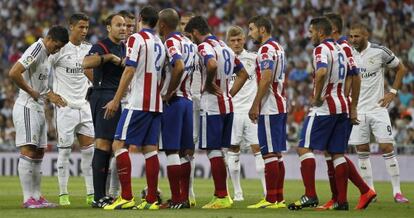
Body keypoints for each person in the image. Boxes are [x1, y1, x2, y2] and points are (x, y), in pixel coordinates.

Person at [102, 6, 166, 210]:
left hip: (138, 102)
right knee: (150, 149)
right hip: (155, 103)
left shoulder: (136, 39)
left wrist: (116, 99)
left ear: (140, 19)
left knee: (118, 145)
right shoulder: (160, 43)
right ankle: (152, 200)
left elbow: (129, 69)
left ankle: (127, 196)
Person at [185, 16, 249, 209]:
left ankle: (221, 195)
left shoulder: (204, 46)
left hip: (212, 106)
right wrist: (229, 93)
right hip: (227, 104)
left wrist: (209, 84)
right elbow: (243, 74)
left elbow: (211, 65)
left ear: (196, 32)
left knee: (213, 151)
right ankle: (224, 194)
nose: (192, 40)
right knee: (220, 151)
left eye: (191, 35)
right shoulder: (225, 47)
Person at [315, 13, 376, 210]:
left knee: (335, 152)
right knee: (331, 152)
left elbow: (355, 76)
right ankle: (340, 197)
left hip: (338, 105)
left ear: (331, 29)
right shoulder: (340, 47)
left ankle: (353, 193)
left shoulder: (342, 47)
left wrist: (353, 105)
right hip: (338, 104)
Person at [288, 17, 351, 210]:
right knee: (337, 154)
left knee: (303, 148)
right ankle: (341, 201)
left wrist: (316, 96)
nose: (309, 35)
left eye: (311, 31)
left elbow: (322, 72)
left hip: (324, 108)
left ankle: (310, 195)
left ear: (321, 33)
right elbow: (352, 76)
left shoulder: (321, 49)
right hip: (342, 107)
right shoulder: (341, 50)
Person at [349, 22, 409, 203]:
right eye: (351, 36)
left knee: (387, 147)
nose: (353, 40)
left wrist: (392, 92)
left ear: (366, 35)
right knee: (362, 149)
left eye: (357, 36)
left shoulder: (380, 51)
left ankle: (397, 192)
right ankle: (370, 191)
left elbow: (401, 68)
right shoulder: (348, 54)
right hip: (357, 110)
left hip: (378, 108)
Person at [9, 25, 69, 208]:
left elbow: (41, 87)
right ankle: (28, 198)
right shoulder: (37, 48)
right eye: (56, 46)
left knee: (39, 152)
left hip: (38, 107)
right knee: (28, 149)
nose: (57, 50)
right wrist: (31, 91)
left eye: (60, 48)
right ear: (49, 39)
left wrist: (52, 96)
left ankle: (37, 196)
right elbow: (14, 72)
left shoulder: (48, 56)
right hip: (26, 105)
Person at [49, 13, 95, 206]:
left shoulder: (90, 50)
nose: (84, 31)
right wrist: (49, 94)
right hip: (65, 108)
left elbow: (94, 76)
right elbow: (41, 71)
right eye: (81, 27)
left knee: (89, 153)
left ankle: (91, 194)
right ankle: (63, 194)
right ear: (71, 27)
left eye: (86, 28)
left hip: (84, 107)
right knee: (65, 153)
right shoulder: (59, 50)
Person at [82, 13, 126, 208]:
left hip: (118, 96)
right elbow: (86, 63)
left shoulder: (126, 47)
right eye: (118, 25)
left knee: (112, 147)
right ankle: (98, 196)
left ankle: (105, 194)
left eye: (125, 25)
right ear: (109, 28)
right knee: (103, 145)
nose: (123, 28)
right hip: (107, 97)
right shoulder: (101, 46)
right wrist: (109, 58)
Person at [157, 8, 196, 209]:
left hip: (174, 101)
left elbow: (178, 66)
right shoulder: (190, 43)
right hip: (188, 101)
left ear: (162, 25)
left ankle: (177, 198)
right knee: (184, 153)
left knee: (171, 150)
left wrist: (168, 92)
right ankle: (184, 197)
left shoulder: (171, 42)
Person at [247, 16, 287, 209]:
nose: (250, 33)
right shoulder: (278, 47)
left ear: (262, 29)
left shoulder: (265, 50)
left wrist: (255, 104)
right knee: (276, 154)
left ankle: (271, 199)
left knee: (269, 154)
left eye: (252, 29)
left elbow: (266, 78)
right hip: (279, 104)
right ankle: (278, 198)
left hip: (270, 106)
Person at [225, 25, 266, 202]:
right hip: (232, 111)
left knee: (258, 149)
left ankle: (266, 192)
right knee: (233, 150)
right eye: (232, 40)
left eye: (239, 39)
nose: (236, 43)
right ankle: (238, 193)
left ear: (244, 40)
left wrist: (257, 105)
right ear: (228, 42)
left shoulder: (254, 58)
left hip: (250, 112)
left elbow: (263, 81)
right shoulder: (224, 59)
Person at [107, 9, 136, 199]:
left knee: (130, 147)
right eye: (125, 25)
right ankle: (114, 192)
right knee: (117, 146)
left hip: (135, 103)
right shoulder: (119, 47)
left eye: (131, 25)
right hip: (121, 101)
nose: (128, 29)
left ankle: (118, 193)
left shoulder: (140, 44)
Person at [180, 11, 199, 207]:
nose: (184, 28)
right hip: (182, 102)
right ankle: (186, 192)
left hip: (197, 103)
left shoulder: (200, 49)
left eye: (188, 24)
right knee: (181, 150)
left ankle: (227, 193)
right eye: (182, 24)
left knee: (190, 150)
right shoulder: (174, 47)